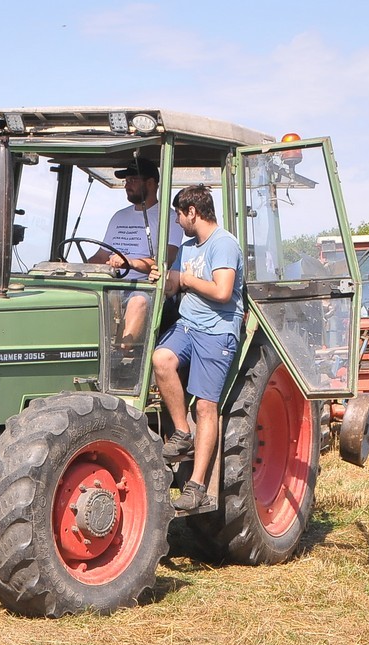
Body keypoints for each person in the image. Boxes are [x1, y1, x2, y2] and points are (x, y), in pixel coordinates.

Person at [150, 185, 243, 511]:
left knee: (206, 407)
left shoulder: (224, 244)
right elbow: (177, 285)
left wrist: (185, 280)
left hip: (217, 332)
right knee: (161, 359)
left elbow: (222, 292)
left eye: (178, 213)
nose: (177, 220)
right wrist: (163, 277)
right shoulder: (189, 246)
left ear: (193, 212)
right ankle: (182, 432)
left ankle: (197, 485)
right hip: (187, 326)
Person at [90, 158, 182, 348]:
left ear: (150, 183)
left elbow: (166, 260)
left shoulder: (170, 218)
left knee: (138, 300)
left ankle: (124, 356)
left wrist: (129, 263)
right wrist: (75, 269)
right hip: (111, 285)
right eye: (126, 181)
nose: (127, 185)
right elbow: (100, 256)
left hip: (146, 287)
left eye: (133, 180)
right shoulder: (119, 216)